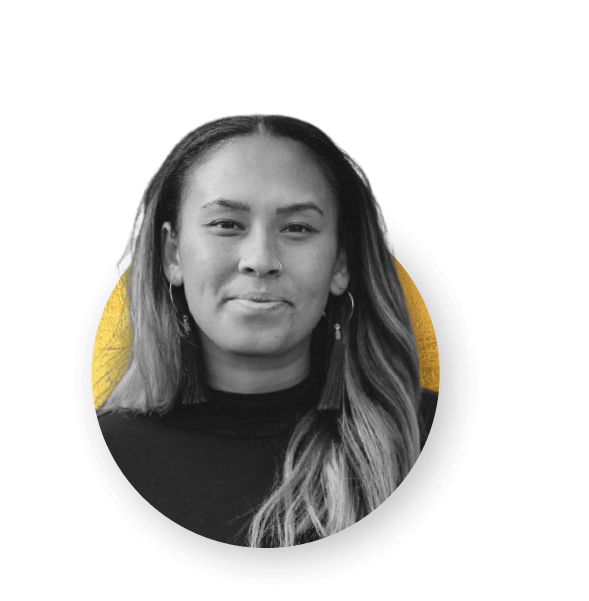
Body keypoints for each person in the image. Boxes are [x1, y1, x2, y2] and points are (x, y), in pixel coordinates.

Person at [96, 113, 438, 548]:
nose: (260, 260)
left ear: (340, 262)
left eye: (297, 228)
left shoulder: (429, 437)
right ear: (172, 254)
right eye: (227, 224)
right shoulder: (107, 452)